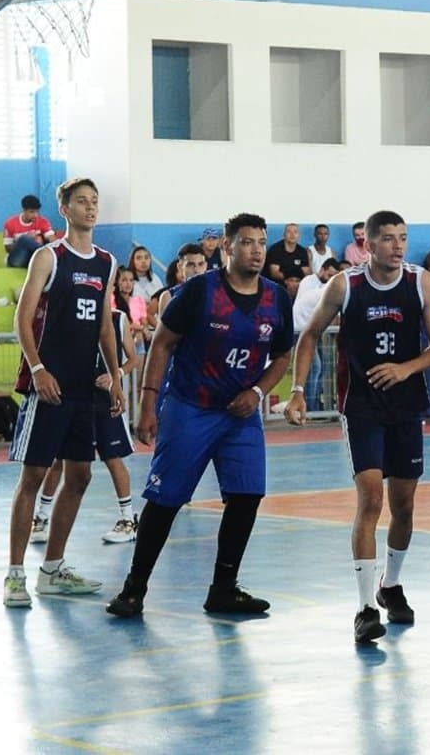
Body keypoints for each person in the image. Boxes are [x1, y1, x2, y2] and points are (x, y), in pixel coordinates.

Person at [106, 213, 293, 618]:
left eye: (262, 242)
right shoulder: (199, 291)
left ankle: (224, 589)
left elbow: (282, 355)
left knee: (247, 495)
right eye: (246, 242)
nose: (257, 249)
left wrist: (258, 391)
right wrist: (150, 402)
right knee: (166, 498)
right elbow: (162, 346)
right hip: (190, 407)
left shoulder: (276, 297)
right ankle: (134, 588)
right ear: (226, 247)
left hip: (240, 413)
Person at [284, 209, 430, 643]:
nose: (398, 246)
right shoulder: (345, 285)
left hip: (407, 404)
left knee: (406, 505)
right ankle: (363, 607)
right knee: (371, 499)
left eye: (403, 238)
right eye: (389, 238)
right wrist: (299, 389)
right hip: (361, 406)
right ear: (369, 244)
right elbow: (309, 335)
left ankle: (391, 584)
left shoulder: (421, 282)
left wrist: (404, 369)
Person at [3, 177, 124, 608]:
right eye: (82, 202)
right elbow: (22, 316)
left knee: (80, 475)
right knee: (33, 476)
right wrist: (37, 369)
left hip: (84, 387)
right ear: (65, 208)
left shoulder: (107, 262)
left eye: (95, 201)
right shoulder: (48, 257)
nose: (91, 208)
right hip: (49, 386)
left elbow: (106, 325)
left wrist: (115, 375)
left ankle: (52, 569)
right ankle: (15, 574)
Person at [31, 304, 141, 545]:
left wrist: (117, 375)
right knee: (59, 458)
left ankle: (128, 520)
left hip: (105, 399)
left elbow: (134, 359)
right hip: (76, 395)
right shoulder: (72, 312)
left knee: (113, 458)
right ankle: (41, 517)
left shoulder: (117, 318)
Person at [292, 258, 342, 412]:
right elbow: (336, 320)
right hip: (300, 329)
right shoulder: (324, 290)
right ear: (322, 269)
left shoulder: (326, 289)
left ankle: (316, 405)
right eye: (329, 274)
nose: (329, 278)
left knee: (320, 368)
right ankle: (311, 408)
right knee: (315, 367)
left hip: (310, 329)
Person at [3, 194, 56, 268]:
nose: (35, 215)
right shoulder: (10, 223)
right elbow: (8, 249)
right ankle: (47, 254)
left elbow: (52, 239)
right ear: (24, 210)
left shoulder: (43, 221)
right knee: (24, 239)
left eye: (37, 212)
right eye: (32, 212)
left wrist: (35, 242)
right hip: (16, 261)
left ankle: (48, 255)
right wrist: (26, 240)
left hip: (33, 260)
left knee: (51, 243)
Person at [265, 223, 312, 298]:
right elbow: (274, 273)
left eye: (295, 232)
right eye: (289, 232)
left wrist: (296, 282)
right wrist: (291, 280)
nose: (292, 234)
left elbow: (307, 272)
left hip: (296, 284)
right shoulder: (275, 249)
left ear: (299, 236)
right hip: (277, 285)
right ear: (284, 235)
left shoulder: (302, 251)